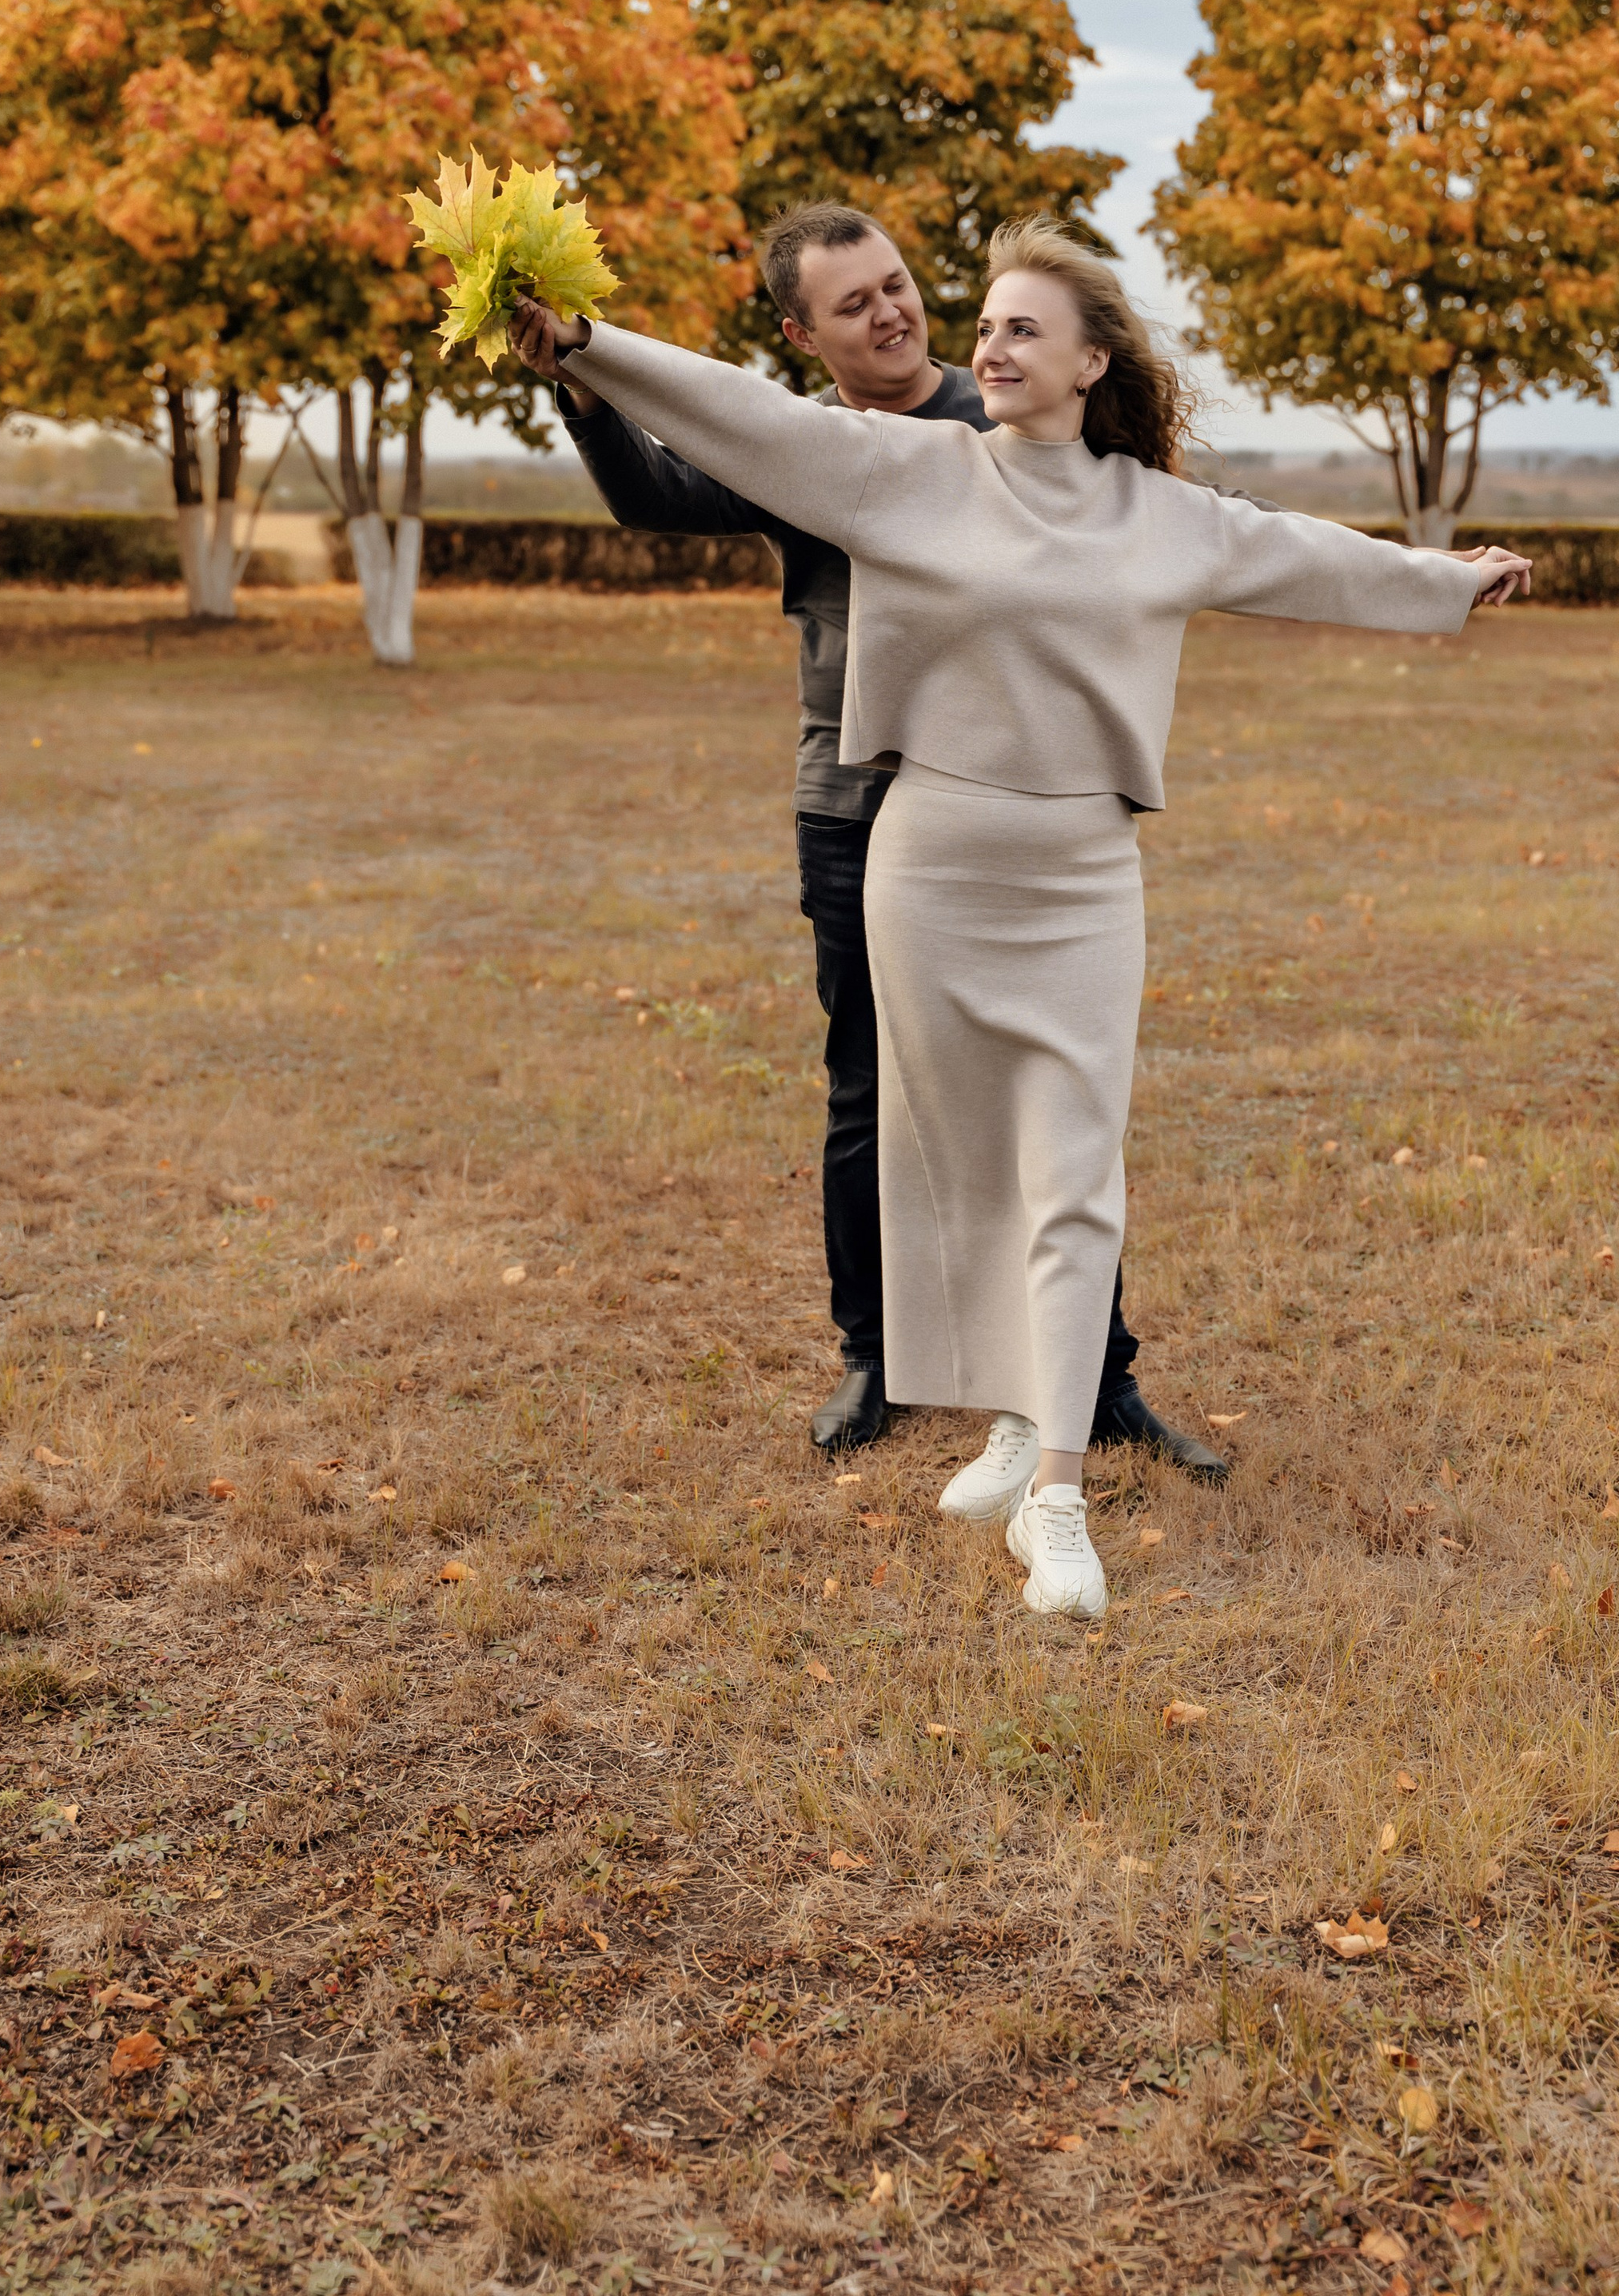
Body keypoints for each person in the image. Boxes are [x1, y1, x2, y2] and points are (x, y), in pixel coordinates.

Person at [512, 221, 1529, 1619]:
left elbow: (1298, 557)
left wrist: (1447, 582)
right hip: (924, 861)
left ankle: (1056, 1498)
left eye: (1017, 330)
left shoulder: (1155, 513)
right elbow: (736, 413)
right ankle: (1012, 1415)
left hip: (1081, 877)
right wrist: (582, 348)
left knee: (1074, 1164)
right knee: (963, 1165)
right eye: (981, 324)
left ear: (1091, 361)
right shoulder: (906, 469)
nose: (981, 346)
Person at [523, 201, 1215, 1481]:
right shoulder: (807, 449)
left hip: (1019, 815)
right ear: (805, 333)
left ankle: (1098, 1379)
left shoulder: (1005, 408)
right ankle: (875, 1357)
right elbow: (658, 498)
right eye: (856, 305)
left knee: (1056, 1107)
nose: (893, 313)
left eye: (898, 285)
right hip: (856, 806)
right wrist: (579, 386)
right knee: (864, 1089)